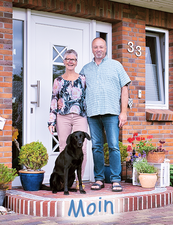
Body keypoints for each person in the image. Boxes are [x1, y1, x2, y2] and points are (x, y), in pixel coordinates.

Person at [80, 37, 131, 192]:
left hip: (112, 112)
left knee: (114, 146)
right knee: (96, 147)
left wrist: (123, 112)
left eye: (101, 47)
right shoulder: (85, 69)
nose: (98, 49)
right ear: (92, 49)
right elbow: (80, 91)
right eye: (96, 47)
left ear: (106, 48)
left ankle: (116, 180)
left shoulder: (116, 66)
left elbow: (125, 89)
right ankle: (99, 179)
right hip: (93, 113)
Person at [48, 49, 88, 189]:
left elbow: (87, 97)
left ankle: (79, 182)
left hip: (80, 116)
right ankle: (64, 182)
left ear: (76, 62)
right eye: (68, 59)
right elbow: (54, 99)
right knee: (64, 148)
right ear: (64, 61)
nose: (70, 61)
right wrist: (51, 121)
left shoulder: (83, 78)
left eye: (73, 59)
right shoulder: (58, 80)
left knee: (82, 148)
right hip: (62, 116)